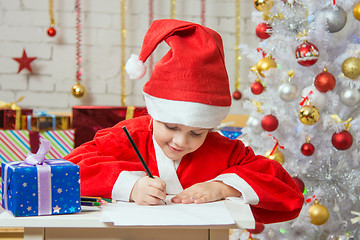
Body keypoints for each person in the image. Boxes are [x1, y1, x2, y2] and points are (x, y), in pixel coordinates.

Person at [65, 19, 304, 224]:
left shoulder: (221, 150)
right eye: (171, 127)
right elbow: (67, 170)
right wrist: (131, 186)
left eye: (197, 133)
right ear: (155, 114)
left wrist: (223, 188)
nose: (181, 141)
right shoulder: (128, 136)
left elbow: (288, 193)